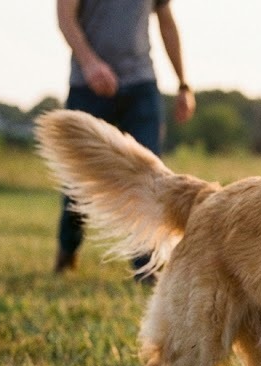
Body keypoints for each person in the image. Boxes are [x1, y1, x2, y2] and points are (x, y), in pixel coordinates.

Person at [53, 0, 196, 280]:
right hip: (88, 85)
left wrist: (182, 83)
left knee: (151, 178)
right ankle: (67, 249)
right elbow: (65, 18)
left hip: (141, 85)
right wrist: (90, 63)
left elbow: (166, 23)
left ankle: (147, 269)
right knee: (78, 180)